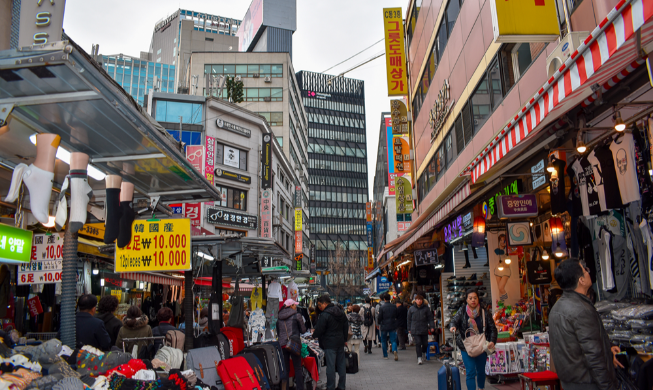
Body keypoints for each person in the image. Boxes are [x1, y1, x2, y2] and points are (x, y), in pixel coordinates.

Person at [549, 260, 621, 390]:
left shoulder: (557, 308)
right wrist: (608, 387)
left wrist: (608, 348)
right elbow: (593, 355)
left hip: (570, 382)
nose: (588, 272)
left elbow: (577, 343)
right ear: (581, 280)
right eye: (585, 270)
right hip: (587, 383)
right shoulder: (581, 309)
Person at [450, 288, 497, 390]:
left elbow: (493, 328)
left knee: (480, 370)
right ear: (466, 300)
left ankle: (481, 388)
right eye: (470, 298)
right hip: (466, 346)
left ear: (478, 299)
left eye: (475, 298)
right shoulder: (462, 311)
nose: (473, 300)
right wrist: (453, 326)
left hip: (482, 345)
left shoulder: (484, 312)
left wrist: (492, 341)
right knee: (470, 371)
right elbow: (454, 320)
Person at [313, 295, 348, 390]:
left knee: (331, 367)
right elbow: (346, 326)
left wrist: (313, 335)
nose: (320, 307)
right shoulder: (341, 312)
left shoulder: (325, 315)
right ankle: (341, 386)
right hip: (340, 342)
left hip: (329, 343)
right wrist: (345, 339)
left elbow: (319, 329)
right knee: (341, 366)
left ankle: (331, 387)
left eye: (320, 305)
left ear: (325, 304)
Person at [278, 299, 307, 390]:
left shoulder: (279, 316)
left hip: (283, 345)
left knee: (286, 369)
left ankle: (285, 388)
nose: (296, 307)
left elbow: (278, 332)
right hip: (294, 344)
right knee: (297, 368)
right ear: (291, 306)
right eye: (295, 305)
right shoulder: (297, 315)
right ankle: (300, 388)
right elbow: (303, 330)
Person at [407, 295, 435, 365]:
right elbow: (408, 320)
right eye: (417, 299)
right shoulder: (411, 309)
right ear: (415, 300)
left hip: (424, 329)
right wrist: (409, 329)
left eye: (420, 299)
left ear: (422, 300)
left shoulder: (426, 309)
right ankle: (419, 358)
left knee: (425, 344)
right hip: (415, 329)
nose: (419, 301)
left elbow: (430, 318)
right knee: (418, 343)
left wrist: (432, 327)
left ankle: (423, 353)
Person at [376, 293, 399, 361]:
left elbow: (379, 317)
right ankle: (394, 350)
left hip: (384, 325)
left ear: (384, 299)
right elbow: (397, 315)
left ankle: (385, 355)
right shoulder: (394, 306)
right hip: (392, 325)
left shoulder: (382, 307)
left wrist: (379, 323)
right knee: (393, 340)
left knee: (383, 340)